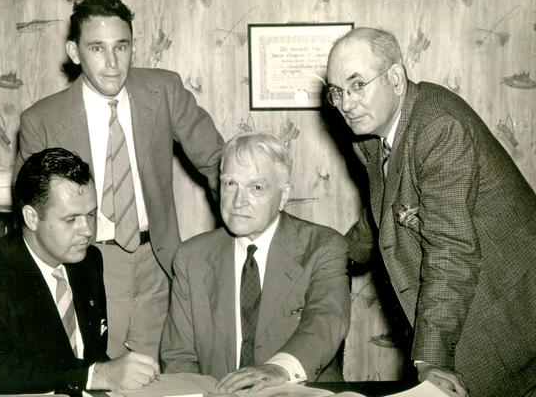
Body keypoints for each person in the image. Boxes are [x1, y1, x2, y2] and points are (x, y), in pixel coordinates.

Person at [326, 27, 536, 397]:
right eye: (337, 91)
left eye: (358, 84)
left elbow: (451, 250)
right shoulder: (373, 135)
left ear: (394, 78)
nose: (346, 103)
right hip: (471, 307)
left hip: (510, 317)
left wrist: (430, 357)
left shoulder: (438, 126)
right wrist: (326, 256)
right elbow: (383, 212)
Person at [15, 0, 224, 361]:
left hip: (157, 262)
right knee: (99, 376)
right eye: (97, 48)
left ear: (132, 46)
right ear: (75, 52)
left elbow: (219, 163)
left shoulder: (164, 91)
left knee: (157, 377)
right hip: (85, 264)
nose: (112, 63)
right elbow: (32, 218)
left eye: (121, 47)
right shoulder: (41, 121)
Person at [161, 132, 350, 393]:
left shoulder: (323, 247)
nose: (238, 202)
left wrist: (278, 369)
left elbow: (325, 322)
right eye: (230, 184)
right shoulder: (191, 257)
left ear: (283, 196)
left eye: (256, 188)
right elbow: (179, 359)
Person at [0, 148, 160, 395]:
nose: (87, 230)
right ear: (32, 218)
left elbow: (91, 353)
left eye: (90, 214)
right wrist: (95, 375)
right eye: (71, 219)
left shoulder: (88, 261)